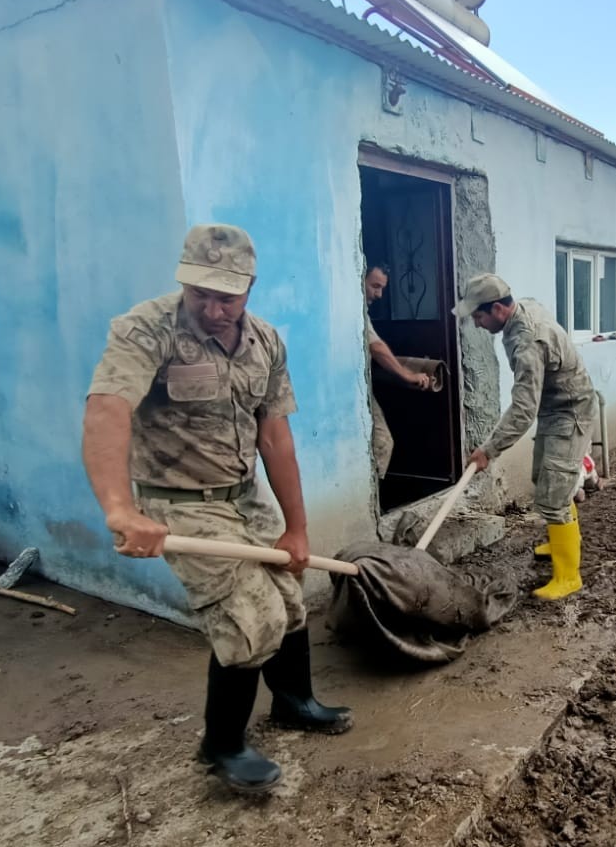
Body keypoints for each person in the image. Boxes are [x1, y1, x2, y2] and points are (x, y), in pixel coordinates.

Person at [82, 223, 350, 795]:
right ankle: (221, 745)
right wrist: (121, 509)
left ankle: (294, 703)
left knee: (289, 597)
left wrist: (297, 529)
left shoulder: (267, 342)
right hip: (177, 504)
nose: (211, 307)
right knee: (251, 618)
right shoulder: (145, 329)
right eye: (199, 292)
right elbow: (108, 412)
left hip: (242, 495)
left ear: (249, 286)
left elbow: (274, 437)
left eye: (225, 295)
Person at [454, 273, 596, 600]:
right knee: (543, 479)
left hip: (571, 410)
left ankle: (568, 576)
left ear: (499, 309)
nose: (476, 323)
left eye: (478, 316)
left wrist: (488, 450)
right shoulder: (523, 308)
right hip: (554, 405)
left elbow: (522, 410)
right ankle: (563, 539)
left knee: (556, 489)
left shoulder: (528, 342)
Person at [362, 264, 434, 479]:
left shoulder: (360, 309)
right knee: (382, 441)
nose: (379, 294)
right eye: (375, 286)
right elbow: (376, 347)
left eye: (382, 288)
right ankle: (370, 507)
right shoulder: (351, 307)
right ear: (359, 278)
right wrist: (408, 375)